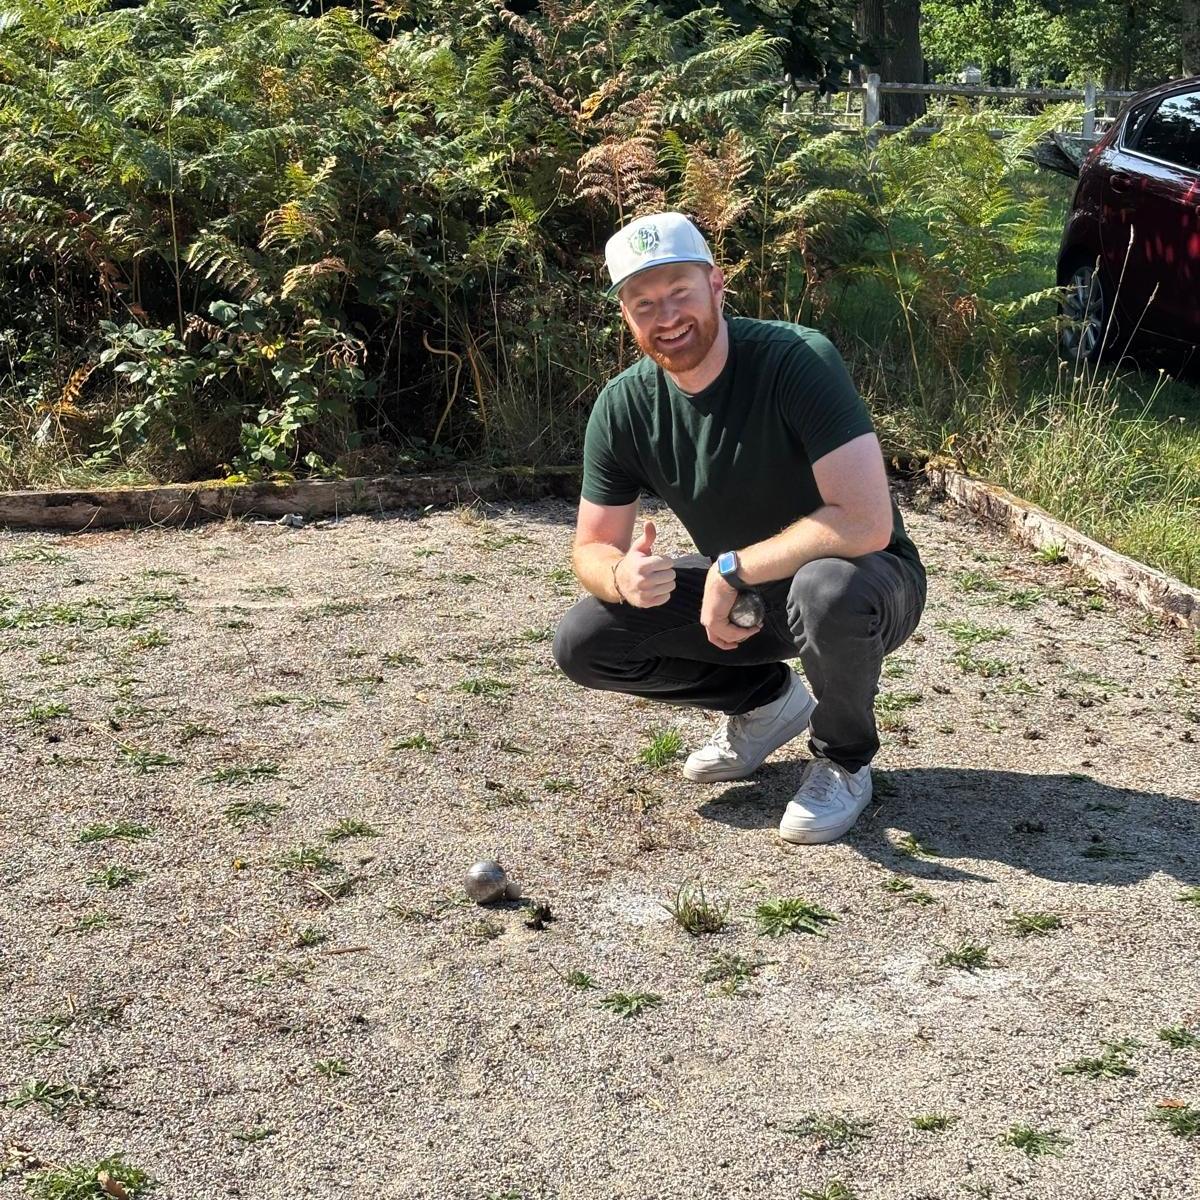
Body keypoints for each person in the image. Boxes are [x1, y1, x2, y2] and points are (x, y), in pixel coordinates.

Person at [552, 212, 927, 844]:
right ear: (626, 315)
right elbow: (590, 546)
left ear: (716, 285)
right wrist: (619, 575)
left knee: (825, 588)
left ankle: (843, 759)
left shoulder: (796, 360)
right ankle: (764, 701)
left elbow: (865, 521)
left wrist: (732, 568)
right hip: (748, 601)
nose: (666, 315)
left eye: (679, 292)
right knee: (586, 639)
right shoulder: (623, 406)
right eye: (644, 303)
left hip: (868, 583)